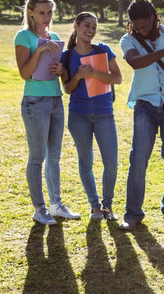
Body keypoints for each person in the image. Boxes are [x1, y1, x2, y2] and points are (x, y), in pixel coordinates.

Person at [118, 0, 164, 230]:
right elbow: (134, 62)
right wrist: (160, 54)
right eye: (137, 27)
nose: (141, 30)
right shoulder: (128, 39)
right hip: (145, 105)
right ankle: (133, 213)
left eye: (145, 25)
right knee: (138, 159)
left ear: (154, 18)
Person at [14, 0, 81, 225]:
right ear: (31, 13)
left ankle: (56, 205)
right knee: (37, 157)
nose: (47, 17)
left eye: (50, 12)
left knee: (54, 156)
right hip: (35, 102)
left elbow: (56, 69)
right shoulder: (23, 37)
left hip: (55, 99)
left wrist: (61, 70)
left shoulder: (53, 35)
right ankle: (39, 208)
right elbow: (24, 73)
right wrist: (40, 50)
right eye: (41, 12)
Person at [61, 12, 122, 221]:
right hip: (78, 116)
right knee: (85, 162)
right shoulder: (67, 56)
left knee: (111, 163)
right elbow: (67, 89)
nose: (91, 31)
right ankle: (95, 207)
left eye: (94, 27)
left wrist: (94, 73)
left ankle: (108, 206)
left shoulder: (103, 50)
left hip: (104, 114)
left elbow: (118, 78)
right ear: (76, 26)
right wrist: (78, 75)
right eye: (87, 25)